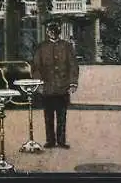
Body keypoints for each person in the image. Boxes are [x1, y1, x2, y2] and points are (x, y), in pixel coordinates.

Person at [32, 21, 79, 149]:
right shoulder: (41, 47)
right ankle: (50, 141)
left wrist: (73, 83)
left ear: (59, 32)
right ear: (47, 32)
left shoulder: (67, 46)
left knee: (62, 116)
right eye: (50, 30)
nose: (53, 33)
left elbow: (73, 66)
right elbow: (36, 67)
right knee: (48, 116)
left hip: (63, 87)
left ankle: (61, 140)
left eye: (55, 30)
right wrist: (39, 84)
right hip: (47, 88)